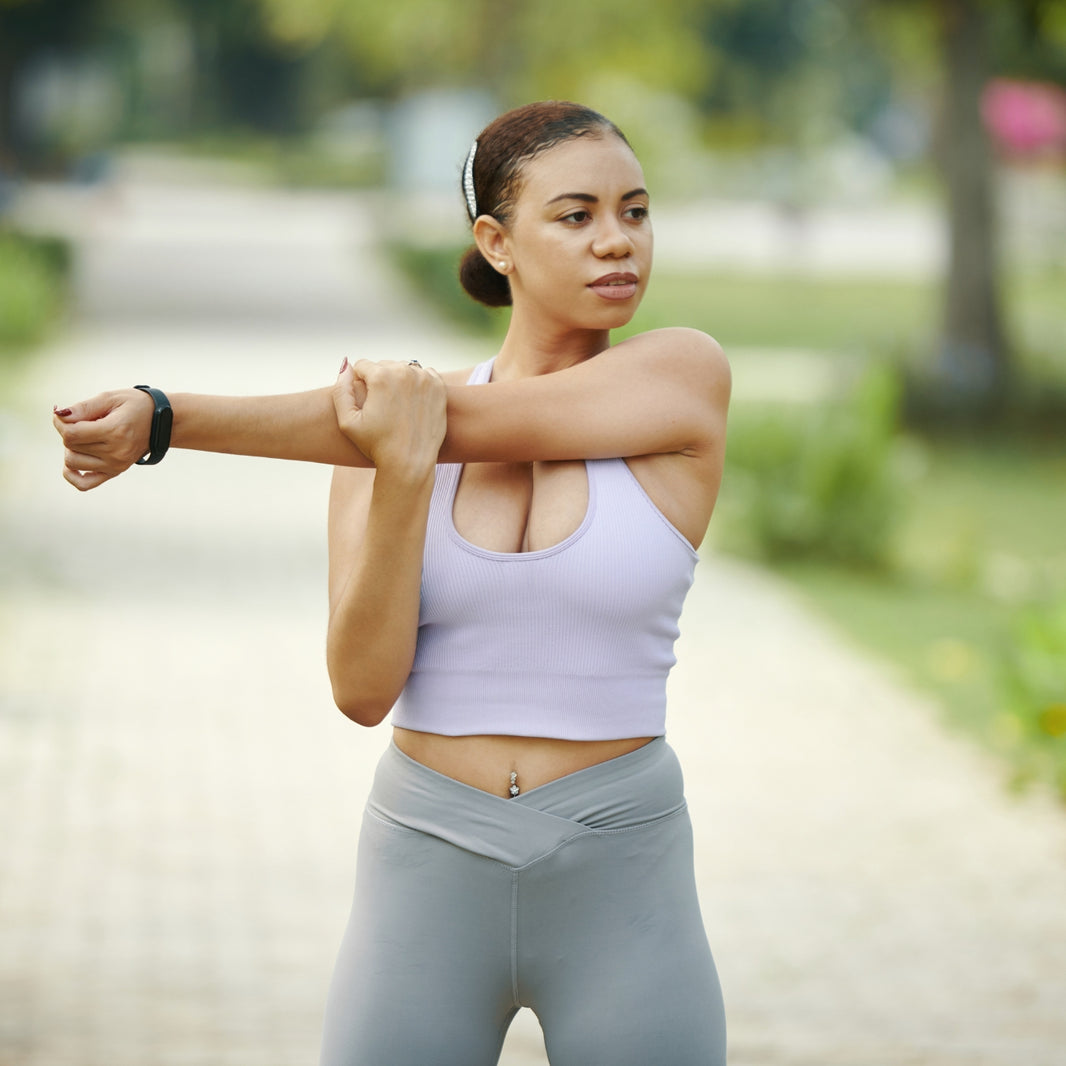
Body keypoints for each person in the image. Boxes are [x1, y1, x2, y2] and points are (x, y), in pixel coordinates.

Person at [54, 101, 731, 1065]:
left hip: (625, 864)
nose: (617, 240)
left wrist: (165, 417)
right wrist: (401, 475)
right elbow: (362, 691)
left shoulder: (682, 379)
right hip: (426, 860)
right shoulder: (381, 445)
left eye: (636, 210)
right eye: (576, 216)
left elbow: (472, 422)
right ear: (496, 243)